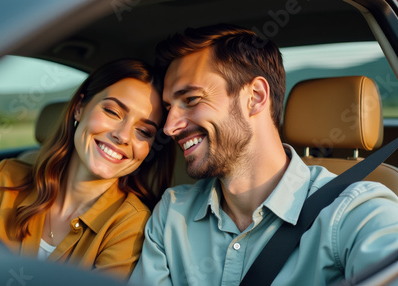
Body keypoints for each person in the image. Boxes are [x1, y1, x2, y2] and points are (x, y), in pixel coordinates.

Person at [129, 24, 398, 285]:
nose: (169, 126)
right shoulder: (172, 213)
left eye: (191, 100)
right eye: (168, 108)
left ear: (255, 97)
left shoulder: (354, 212)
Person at [0, 59, 175, 281]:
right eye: (112, 112)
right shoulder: (6, 176)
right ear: (79, 108)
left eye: (144, 131)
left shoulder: (131, 225)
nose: (123, 136)